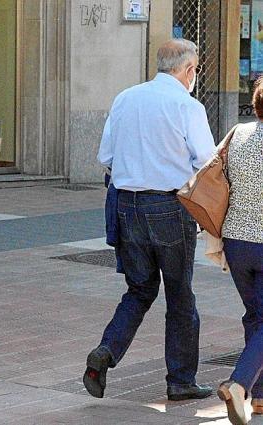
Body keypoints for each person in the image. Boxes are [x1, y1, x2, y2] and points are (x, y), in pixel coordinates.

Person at [83, 39, 215, 401]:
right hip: (169, 207)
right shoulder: (187, 105)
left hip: (127, 206)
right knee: (180, 295)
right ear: (189, 70)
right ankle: (181, 380)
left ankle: (105, 353)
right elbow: (206, 162)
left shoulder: (125, 97)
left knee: (139, 290)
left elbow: (105, 155)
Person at [215, 78, 263, 425]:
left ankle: (259, 398)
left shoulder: (238, 133)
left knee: (256, 316)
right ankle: (240, 384)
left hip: (236, 244)